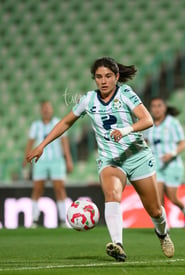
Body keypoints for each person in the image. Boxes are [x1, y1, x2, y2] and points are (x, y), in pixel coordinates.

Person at [26, 57, 174, 262]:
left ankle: (163, 234)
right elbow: (66, 122)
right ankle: (118, 245)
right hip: (110, 159)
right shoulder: (89, 100)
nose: (103, 81)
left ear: (116, 77)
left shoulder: (126, 93)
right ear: (94, 79)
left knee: (155, 210)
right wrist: (42, 145)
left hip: (137, 156)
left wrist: (125, 130)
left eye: (108, 76)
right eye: (98, 77)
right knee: (112, 193)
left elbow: (147, 120)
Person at [23, 100, 74, 228]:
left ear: (51, 110)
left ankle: (63, 220)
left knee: (59, 188)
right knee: (38, 189)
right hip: (40, 161)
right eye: (44, 108)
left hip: (57, 160)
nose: (46, 110)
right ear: (41, 111)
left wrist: (68, 159)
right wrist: (26, 157)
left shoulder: (58, 123)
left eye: (48, 108)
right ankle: (34, 220)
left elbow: (64, 142)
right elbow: (30, 142)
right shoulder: (36, 125)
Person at [145, 97, 185, 228]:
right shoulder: (148, 124)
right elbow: (146, 142)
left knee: (172, 197)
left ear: (164, 108)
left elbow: (182, 144)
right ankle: (164, 227)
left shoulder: (172, 123)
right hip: (156, 165)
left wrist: (171, 154)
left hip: (172, 165)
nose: (156, 109)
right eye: (153, 106)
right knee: (158, 198)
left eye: (159, 106)